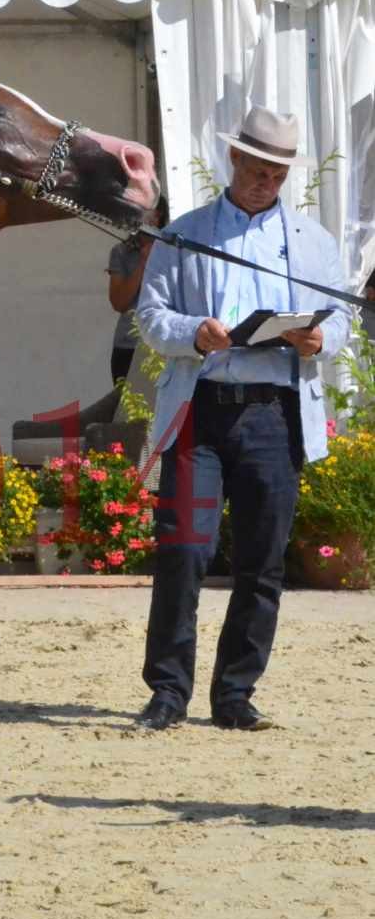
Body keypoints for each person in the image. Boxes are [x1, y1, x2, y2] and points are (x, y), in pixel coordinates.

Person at [133, 107, 351, 732]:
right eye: (258, 170)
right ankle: (168, 692)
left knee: (263, 559)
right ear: (234, 161)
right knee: (184, 551)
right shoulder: (184, 233)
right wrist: (195, 335)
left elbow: (339, 319)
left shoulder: (315, 243)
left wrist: (318, 341)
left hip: (274, 415)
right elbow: (153, 317)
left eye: (278, 175)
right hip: (200, 413)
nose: (267, 182)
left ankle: (234, 695)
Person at [106, 196, 169, 385]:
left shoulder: (173, 248)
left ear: (158, 216)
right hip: (128, 345)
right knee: (128, 410)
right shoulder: (121, 251)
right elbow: (118, 302)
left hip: (163, 343)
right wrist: (143, 263)